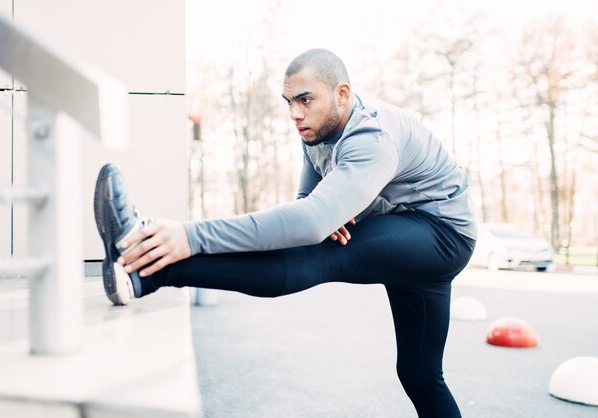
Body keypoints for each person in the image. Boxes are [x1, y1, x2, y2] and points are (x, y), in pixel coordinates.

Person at [94, 48, 476, 418]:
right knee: (419, 375)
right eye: (289, 101)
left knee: (321, 254)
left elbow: (309, 222)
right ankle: (146, 271)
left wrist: (190, 236)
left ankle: (151, 271)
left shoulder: (372, 136)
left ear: (342, 94)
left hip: (441, 233)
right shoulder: (314, 129)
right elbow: (307, 204)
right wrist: (327, 211)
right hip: (409, 233)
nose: (295, 113)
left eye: (305, 99)